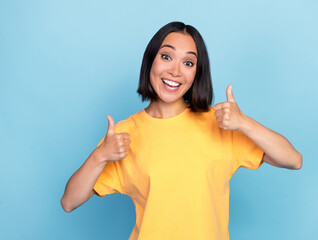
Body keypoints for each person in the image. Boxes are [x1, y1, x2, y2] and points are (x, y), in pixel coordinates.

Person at [61, 21, 302, 240]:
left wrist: (244, 123)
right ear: (150, 61)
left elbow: (293, 160)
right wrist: (101, 155)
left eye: (188, 63)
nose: (175, 71)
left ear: (197, 73)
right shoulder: (124, 135)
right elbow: (69, 202)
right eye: (166, 57)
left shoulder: (219, 123)